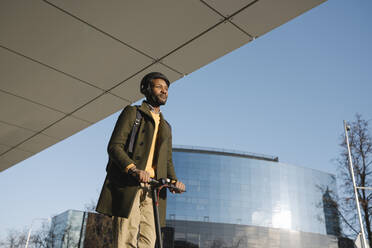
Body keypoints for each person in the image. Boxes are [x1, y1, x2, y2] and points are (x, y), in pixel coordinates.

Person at [96, 72, 185, 248]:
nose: (164, 91)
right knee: (126, 238)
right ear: (146, 89)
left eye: (166, 89)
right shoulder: (133, 113)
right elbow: (114, 147)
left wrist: (174, 181)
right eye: (159, 87)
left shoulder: (166, 126)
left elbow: (167, 160)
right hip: (130, 184)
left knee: (149, 240)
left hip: (154, 188)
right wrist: (133, 169)